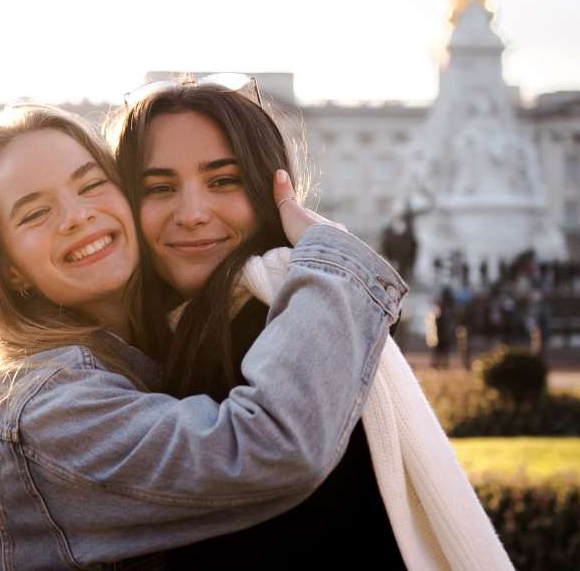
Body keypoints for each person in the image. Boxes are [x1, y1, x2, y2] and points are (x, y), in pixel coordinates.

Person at [0, 103, 407, 570]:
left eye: (90, 185)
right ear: (8, 267)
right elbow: (268, 448)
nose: (77, 216)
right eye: (36, 213)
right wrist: (329, 256)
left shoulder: (141, 355)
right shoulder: (44, 408)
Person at [111, 78, 512, 570]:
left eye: (223, 181)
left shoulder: (266, 328)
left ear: (270, 190)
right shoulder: (229, 319)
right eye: (160, 188)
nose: (192, 214)